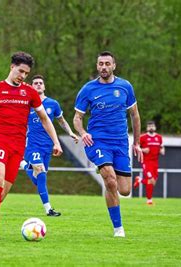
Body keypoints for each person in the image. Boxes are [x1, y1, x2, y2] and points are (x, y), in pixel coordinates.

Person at [0, 52, 63, 240]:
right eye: (20, 71)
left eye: (26, 73)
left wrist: (56, 142)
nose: (23, 76)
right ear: (12, 67)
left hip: (17, 147)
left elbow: (45, 119)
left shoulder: (30, 93)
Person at [73, 51, 143, 238]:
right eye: (100, 64)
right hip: (97, 141)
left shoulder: (125, 87)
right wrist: (83, 132)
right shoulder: (88, 89)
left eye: (107, 63)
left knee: (125, 190)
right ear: (97, 66)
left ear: (114, 66)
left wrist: (136, 143)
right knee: (110, 180)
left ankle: (106, 170)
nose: (103, 67)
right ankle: (118, 229)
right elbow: (77, 117)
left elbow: (135, 115)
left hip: (120, 142)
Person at [20, 74, 79, 217]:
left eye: (41, 82)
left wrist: (70, 132)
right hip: (32, 144)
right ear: (32, 86)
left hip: (48, 146)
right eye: (35, 83)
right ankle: (48, 209)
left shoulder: (53, 104)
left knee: (40, 177)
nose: (39, 85)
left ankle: (24, 166)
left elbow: (61, 121)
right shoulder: (26, 104)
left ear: (44, 86)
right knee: (40, 171)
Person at [133, 121, 165, 205]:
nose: (151, 127)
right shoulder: (143, 137)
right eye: (149, 126)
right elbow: (135, 147)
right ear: (147, 128)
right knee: (151, 180)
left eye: (152, 126)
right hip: (146, 162)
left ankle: (139, 181)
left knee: (153, 182)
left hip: (155, 163)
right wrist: (143, 150)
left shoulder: (159, 137)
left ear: (155, 127)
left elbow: (162, 148)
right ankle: (149, 200)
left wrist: (162, 151)